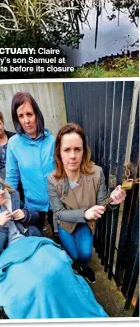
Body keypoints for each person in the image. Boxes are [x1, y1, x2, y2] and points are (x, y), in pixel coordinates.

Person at [0, 171, 108, 319]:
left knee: (59, 266)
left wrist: (25, 214)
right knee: (35, 285)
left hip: (30, 244)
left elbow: (35, 218)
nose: (1, 191)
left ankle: (75, 307)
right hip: (4, 260)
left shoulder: (10, 198)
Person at [48, 122, 126, 284]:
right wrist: (84, 213)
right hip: (66, 223)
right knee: (73, 254)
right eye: (67, 150)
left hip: (86, 223)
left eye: (77, 149)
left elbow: (103, 203)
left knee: (85, 254)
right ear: (59, 152)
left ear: (84, 150)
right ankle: (76, 268)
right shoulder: (53, 179)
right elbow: (59, 212)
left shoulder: (96, 173)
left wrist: (113, 200)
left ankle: (84, 267)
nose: (72, 156)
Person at [6, 92, 55, 231]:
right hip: (33, 205)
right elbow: (11, 178)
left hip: (55, 202)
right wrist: (9, 204)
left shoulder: (52, 141)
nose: (26, 120)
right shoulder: (13, 144)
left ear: (37, 115)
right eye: (21, 116)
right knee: (36, 235)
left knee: (59, 237)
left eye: (29, 114)